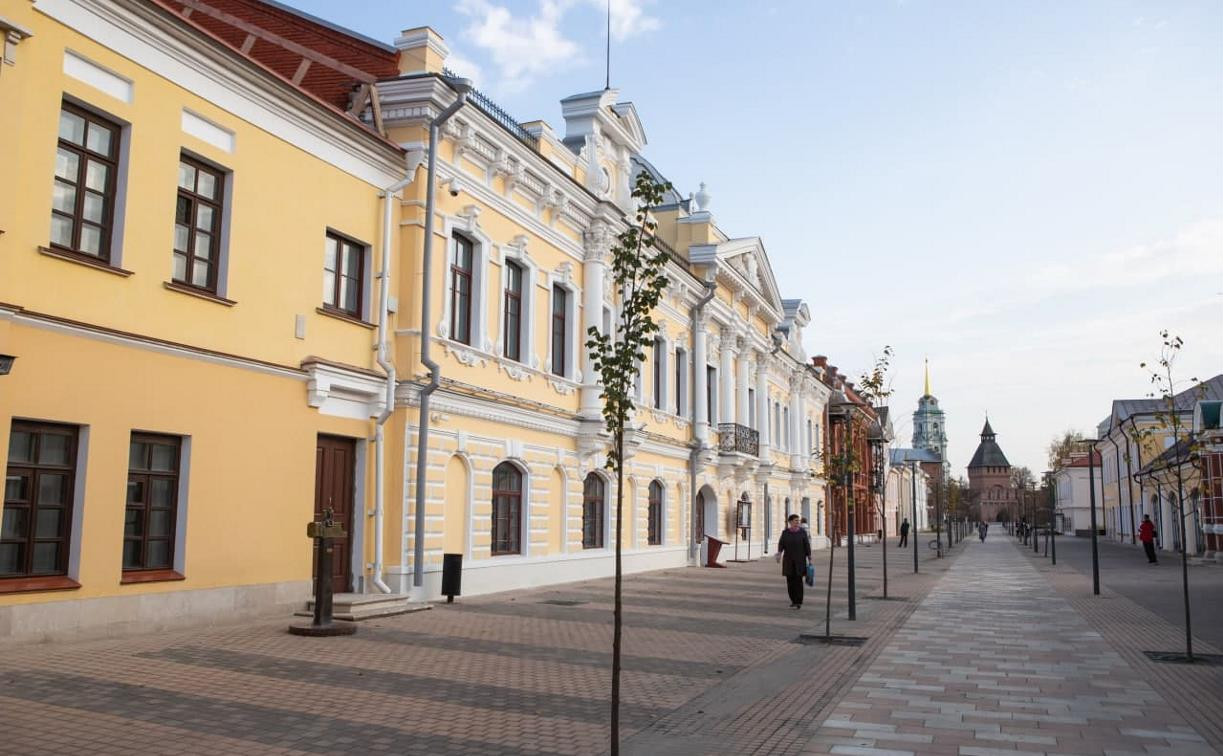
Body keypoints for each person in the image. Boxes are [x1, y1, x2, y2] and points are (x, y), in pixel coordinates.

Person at [776, 514, 811, 609]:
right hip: (788, 560)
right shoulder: (785, 533)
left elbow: (806, 545)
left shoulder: (802, 532)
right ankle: (793, 600)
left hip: (800, 560)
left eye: (798, 521)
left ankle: (799, 601)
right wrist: (779, 553)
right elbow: (781, 544)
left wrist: (809, 557)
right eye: (795, 521)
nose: (797, 522)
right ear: (790, 522)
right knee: (790, 581)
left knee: (798, 580)